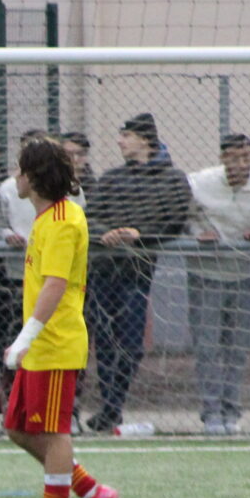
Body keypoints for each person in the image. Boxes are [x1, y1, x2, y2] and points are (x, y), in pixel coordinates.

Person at [0, 137, 120, 498]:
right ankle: (91, 492)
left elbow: (55, 284)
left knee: (53, 432)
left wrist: (25, 337)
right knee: (16, 427)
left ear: (33, 176)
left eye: (19, 169)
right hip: (41, 346)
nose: (15, 177)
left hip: (55, 343)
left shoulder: (66, 219)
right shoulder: (47, 218)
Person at [83, 113, 192, 432]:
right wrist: (106, 233)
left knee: (130, 342)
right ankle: (110, 407)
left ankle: (113, 405)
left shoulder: (172, 179)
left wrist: (139, 233)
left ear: (144, 139)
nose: (120, 141)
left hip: (138, 271)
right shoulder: (112, 178)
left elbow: (175, 221)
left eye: (126, 135)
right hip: (103, 269)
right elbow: (90, 216)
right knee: (103, 340)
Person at [185, 134, 250, 434]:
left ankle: (232, 412)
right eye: (235, 158)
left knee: (237, 347)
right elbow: (184, 218)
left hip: (241, 275)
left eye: (247, 157)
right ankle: (211, 412)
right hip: (205, 274)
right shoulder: (199, 184)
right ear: (223, 159)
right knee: (207, 346)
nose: (242, 164)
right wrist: (199, 232)